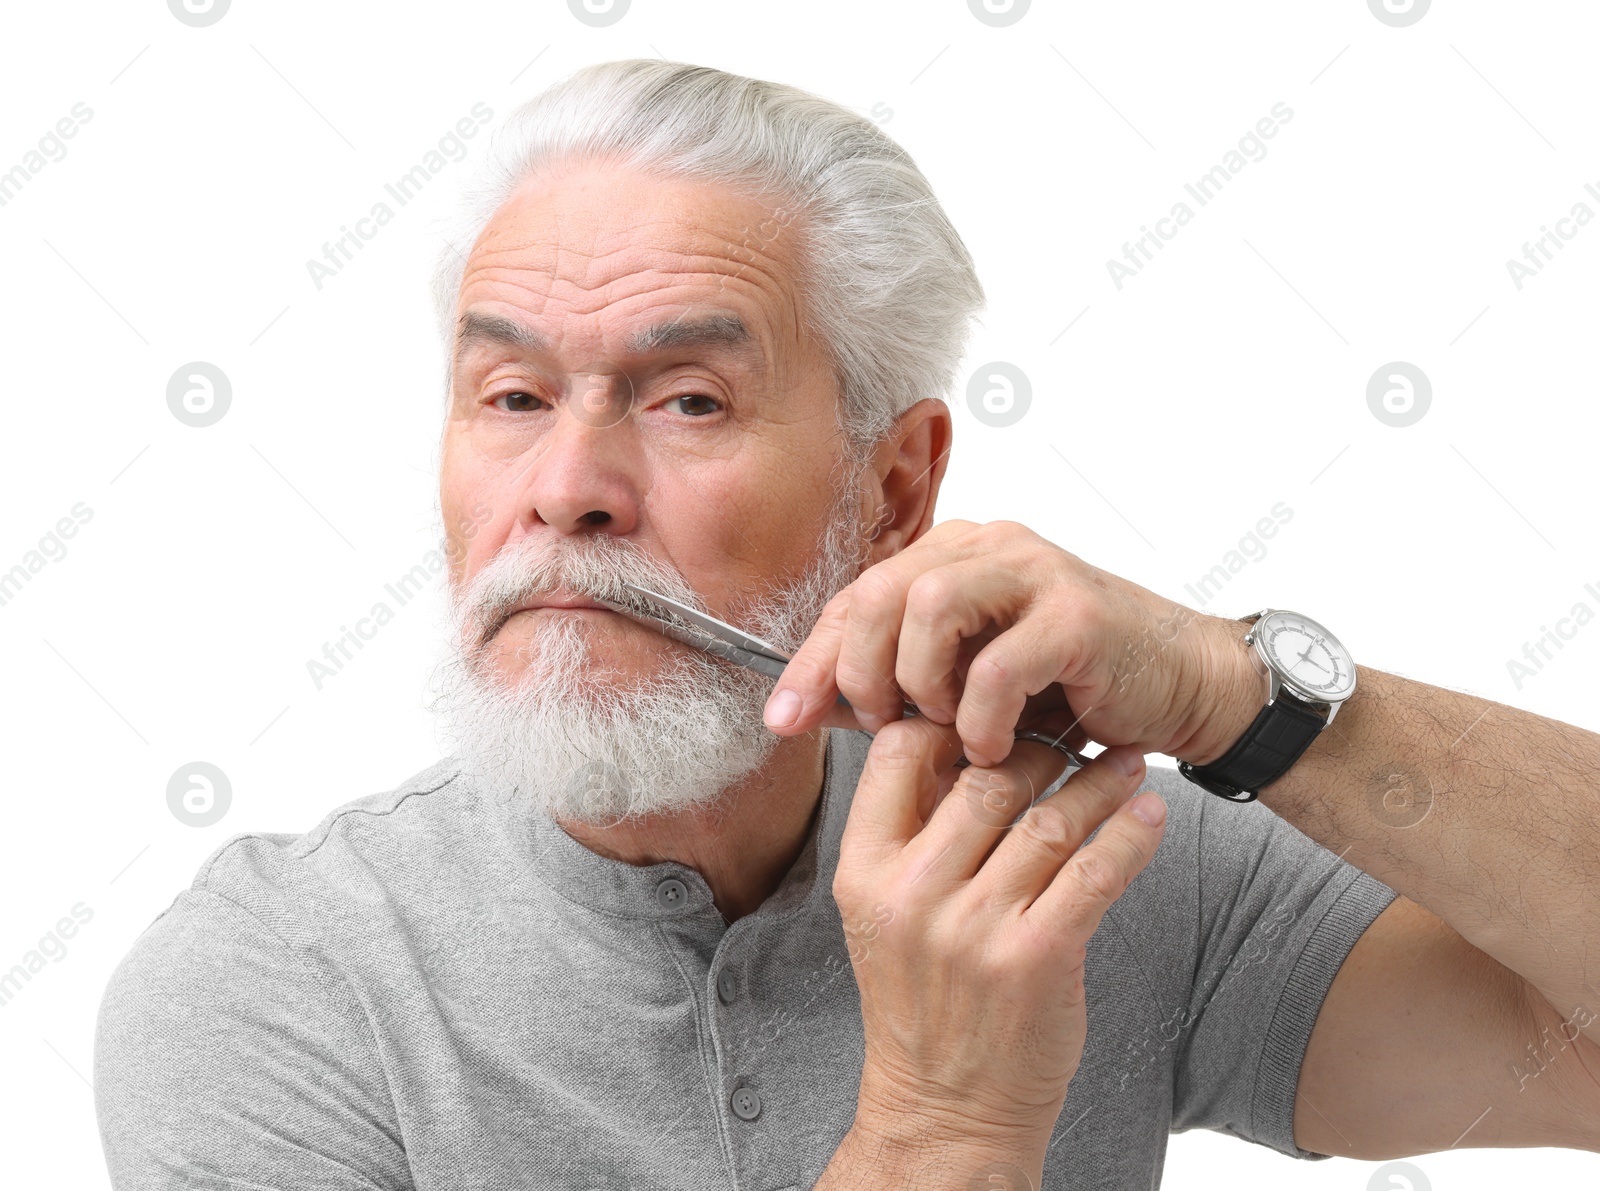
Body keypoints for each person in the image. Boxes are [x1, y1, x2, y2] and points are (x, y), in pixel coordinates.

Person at [93, 59, 1600, 1190]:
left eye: (687, 399)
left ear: (894, 490)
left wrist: (1234, 693)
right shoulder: (274, 988)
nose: (567, 491)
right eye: (512, 398)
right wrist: (946, 1124)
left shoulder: (1074, 867)